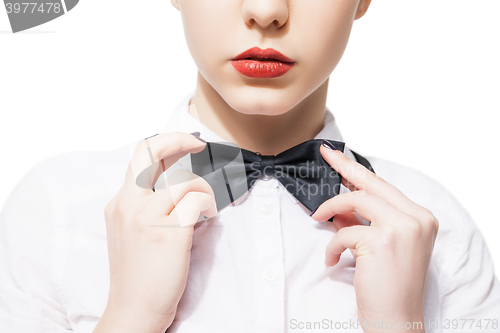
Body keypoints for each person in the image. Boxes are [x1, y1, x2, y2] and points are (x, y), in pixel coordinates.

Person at [1, 0, 499, 332]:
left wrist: (399, 325)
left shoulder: (437, 231)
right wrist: (132, 316)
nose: (266, 10)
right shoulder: (56, 210)